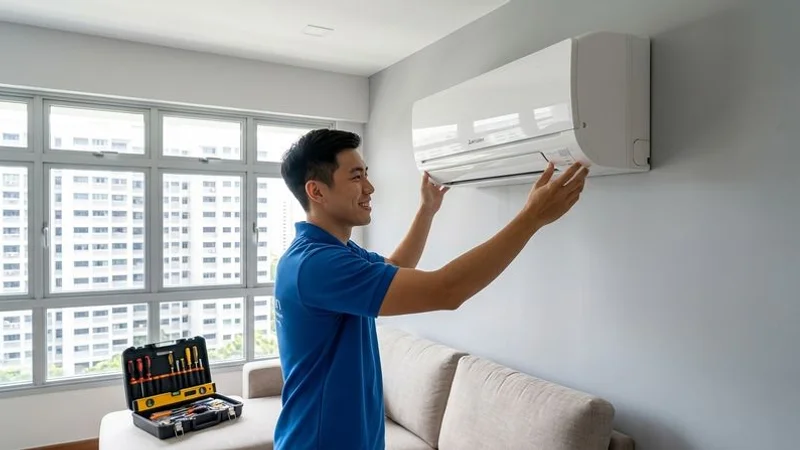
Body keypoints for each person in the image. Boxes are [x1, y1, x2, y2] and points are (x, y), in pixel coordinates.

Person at [273, 129, 588, 449]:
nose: (369, 187)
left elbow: (397, 266)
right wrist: (531, 217)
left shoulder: (331, 253)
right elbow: (446, 290)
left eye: (366, 174)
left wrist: (427, 210)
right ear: (317, 191)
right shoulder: (317, 265)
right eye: (356, 177)